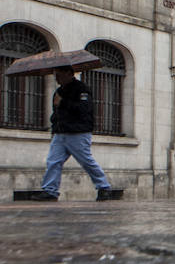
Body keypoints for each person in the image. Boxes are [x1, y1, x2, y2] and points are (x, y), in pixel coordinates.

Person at [36, 65, 121, 201]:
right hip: (61, 133)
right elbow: (57, 113)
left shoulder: (81, 89)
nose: (56, 78)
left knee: (86, 161)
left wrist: (63, 102)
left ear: (69, 73)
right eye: (55, 75)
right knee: (53, 161)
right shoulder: (59, 91)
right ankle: (50, 190)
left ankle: (103, 187)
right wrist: (55, 125)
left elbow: (84, 109)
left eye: (59, 75)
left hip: (77, 132)